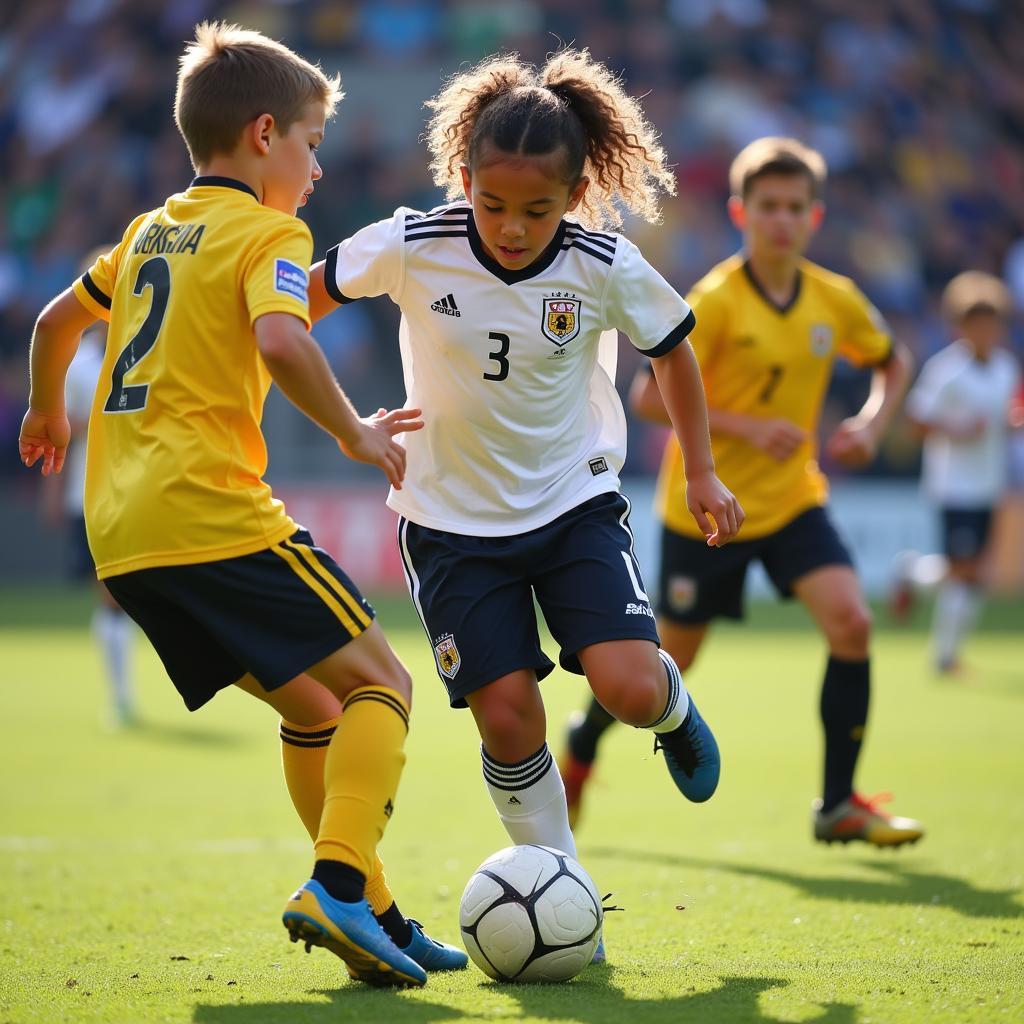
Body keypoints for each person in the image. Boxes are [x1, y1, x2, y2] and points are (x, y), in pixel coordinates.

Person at [18, 22, 466, 987]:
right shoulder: (271, 232)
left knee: (312, 708)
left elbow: (57, 323)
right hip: (210, 511)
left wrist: (45, 410)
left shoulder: (146, 233)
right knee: (385, 686)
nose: (314, 167)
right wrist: (355, 432)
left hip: (124, 535)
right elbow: (282, 340)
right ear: (265, 134)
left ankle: (372, 910)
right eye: (309, 142)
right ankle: (340, 886)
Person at [308, 49, 744, 962]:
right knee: (506, 713)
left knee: (625, 686)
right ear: (462, 178)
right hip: (447, 522)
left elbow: (675, 354)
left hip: (571, 503)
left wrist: (700, 471)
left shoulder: (602, 264)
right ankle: (561, 879)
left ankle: (671, 711)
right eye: (493, 204)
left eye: (537, 210)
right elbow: (295, 305)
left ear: (578, 193)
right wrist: (347, 418)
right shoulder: (412, 241)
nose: (511, 228)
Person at [562, 136, 926, 848]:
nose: (782, 220)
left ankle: (837, 803)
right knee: (673, 662)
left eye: (795, 207)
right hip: (706, 510)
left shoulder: (835, 299)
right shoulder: (719, 299)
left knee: (851, 623)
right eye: (768, 207)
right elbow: (645, 395)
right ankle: (584, 740)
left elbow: (893, 360)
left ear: (815, 217)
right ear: (741, 212)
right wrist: (749, 429)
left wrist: (871, 423)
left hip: (793, 502)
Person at [903, 271, 1021, 673]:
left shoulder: (1006, 368)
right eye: (977, 324)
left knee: (970, 573)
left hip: (989, 482)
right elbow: (917, 421)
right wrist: (956, 428)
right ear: (961, 327)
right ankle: (945, 656)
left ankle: (913, 573)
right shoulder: (946, 370)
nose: (986, 332)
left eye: (992, 324)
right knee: (965, 569)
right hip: (952, 484)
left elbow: (1005, 417)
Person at [42, 290, 137, 728]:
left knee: (119, 596)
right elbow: (60, 426)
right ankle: (119, 697)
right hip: (89, 490)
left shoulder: (145, 354)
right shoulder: (79, 368)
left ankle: (121, 697)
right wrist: (52, 492)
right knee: (112, 597)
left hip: (136, 490)